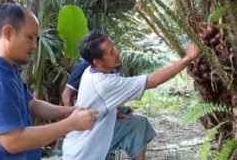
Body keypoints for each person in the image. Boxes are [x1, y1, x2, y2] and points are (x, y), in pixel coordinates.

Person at [62, 30, 199, 160]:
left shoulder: (90, 71)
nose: (117, 53)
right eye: (111, 52)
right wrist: (188, 58)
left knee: (137, 123)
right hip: (84, 153)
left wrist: (113, 112)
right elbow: (153, 81)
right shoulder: (105, 83)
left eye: (114, 48)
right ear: (97, 62)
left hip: (87, 138)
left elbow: (93, 106)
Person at [0, 2, 98, 160]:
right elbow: (13, 141)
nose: (34, 45)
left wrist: (67, 111)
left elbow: (31, 104)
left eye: (36, 38)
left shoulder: (6, 68)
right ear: (8, 32)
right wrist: (70, 124)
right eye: (30, 37)